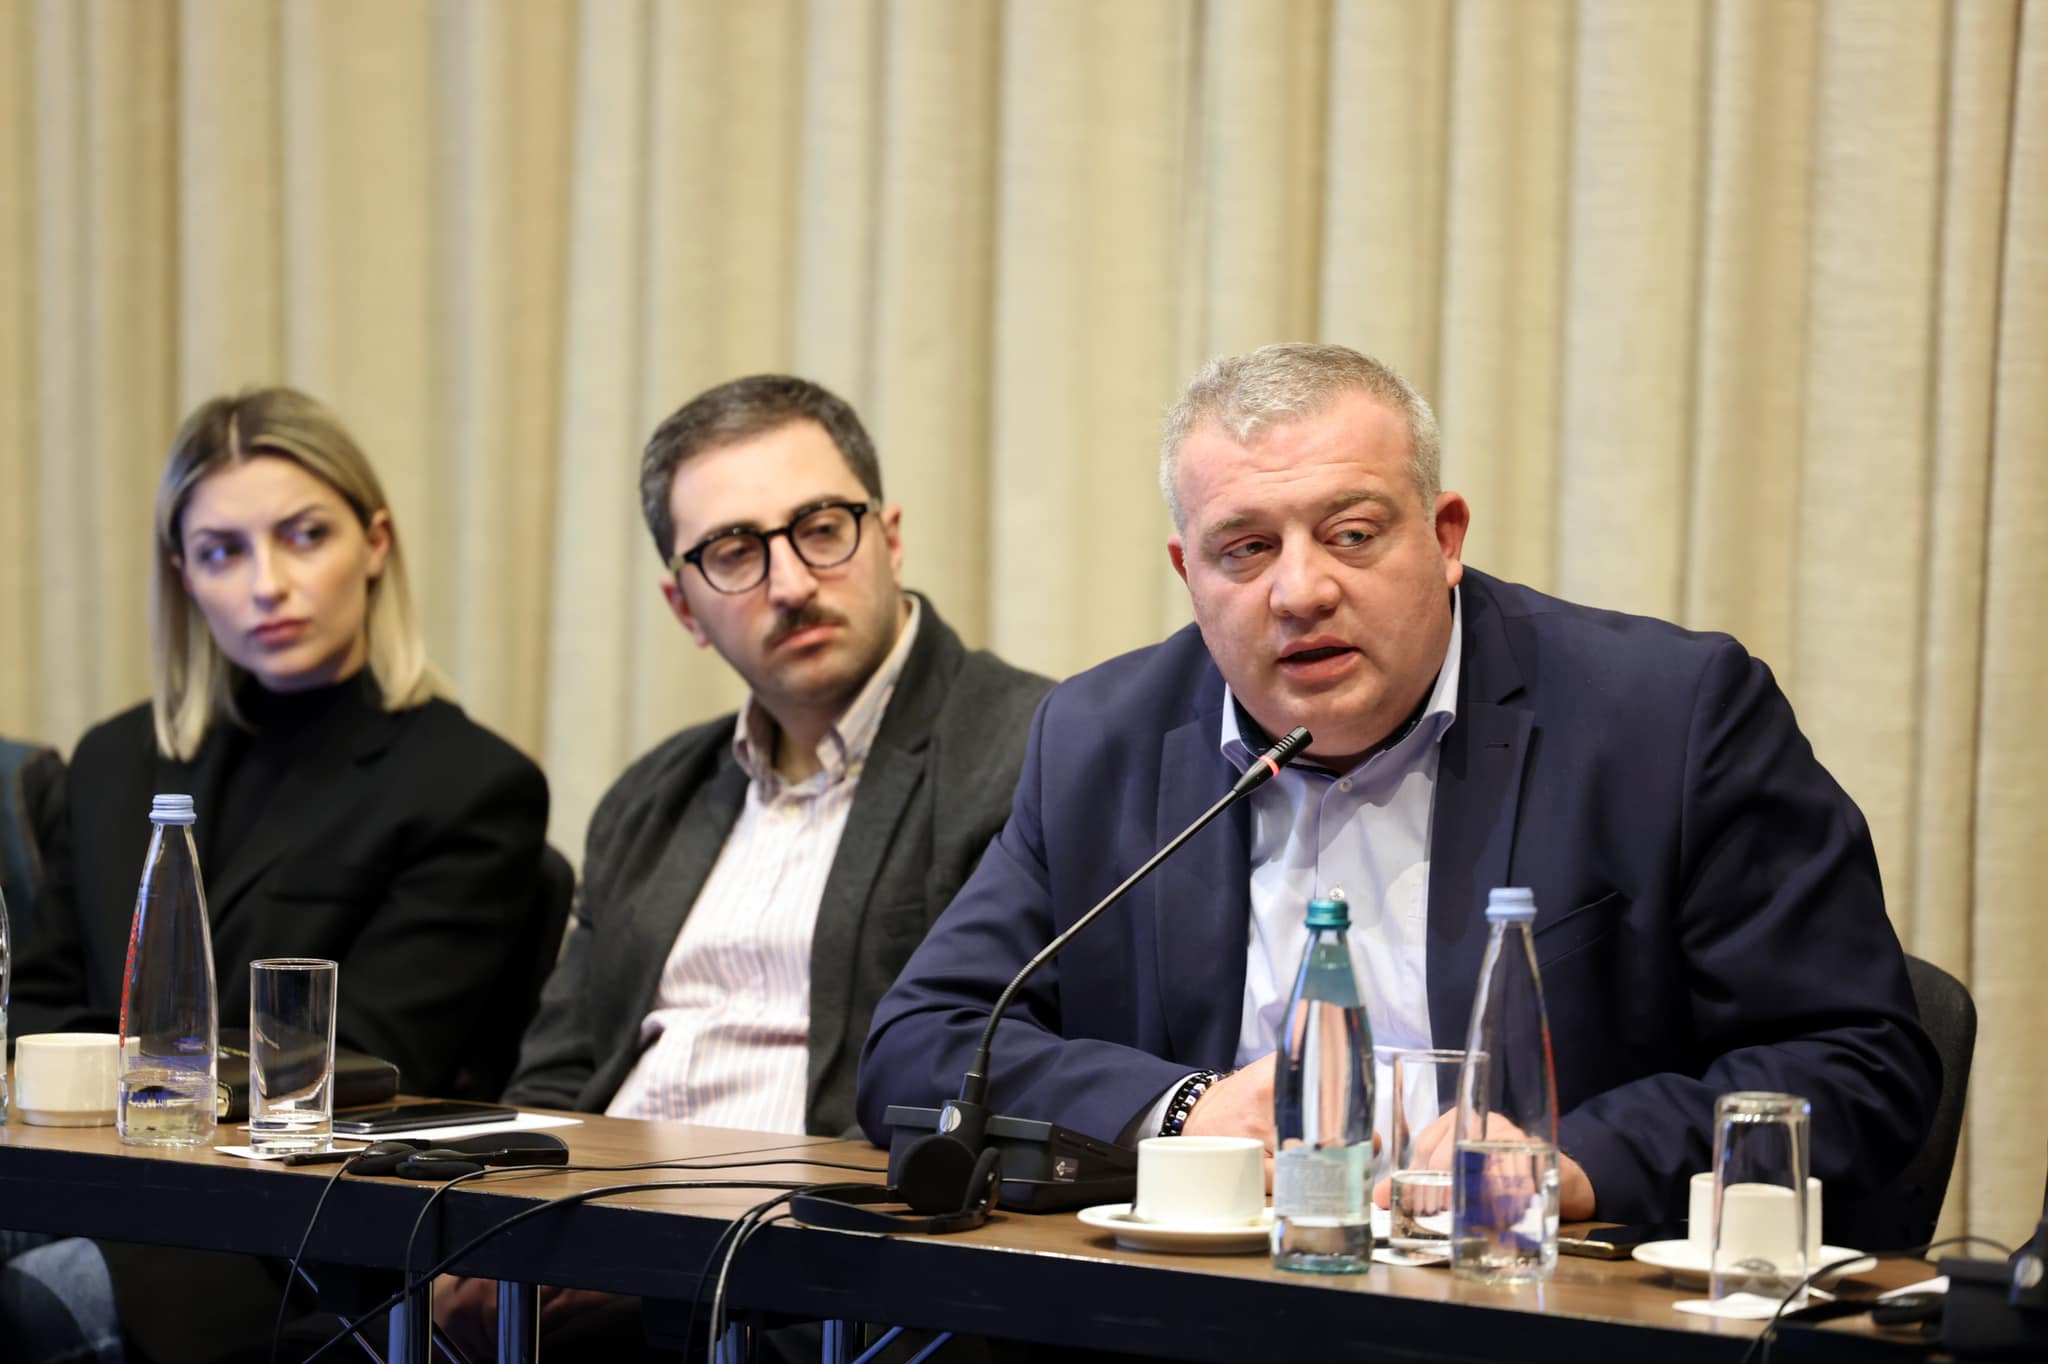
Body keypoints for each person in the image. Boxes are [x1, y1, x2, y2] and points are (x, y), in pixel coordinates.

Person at [857, 343, 1939, 1240]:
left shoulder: (1666, 719)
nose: (1300, 590)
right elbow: (923, 1041)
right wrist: (1185, 1110)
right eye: (1245, 549)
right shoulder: (1102, 740)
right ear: (1189, 575)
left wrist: (1573, 1163)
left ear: (1445, 536)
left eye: (1351, 534)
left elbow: (1858, 1061)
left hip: (1531, 1307)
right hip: (1197, 1312)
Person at [437, 374, 1050, 1359]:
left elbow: (984, 1098)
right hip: (579, 1262)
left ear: (889, 537)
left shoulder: (1028, 751)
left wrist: (653, 1256)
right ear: (683, 606)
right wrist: (503, 1230)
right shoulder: (652, 797)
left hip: (814, 1293)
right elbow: (559, 1074)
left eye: (821, 528)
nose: (791, 582)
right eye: (733, 552)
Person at [2, 386, 550, 1364]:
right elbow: (37, 1012)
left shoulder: (469, 783)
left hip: (284, 1235)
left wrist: (125, 1079)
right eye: (223, 551)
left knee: (33, 1305)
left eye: (304, 536)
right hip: (74, 1179)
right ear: (183, 574)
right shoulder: (114, 762)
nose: (268, 584)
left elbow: (369, 1062)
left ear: (374, 543)